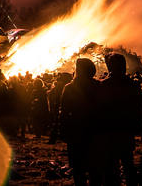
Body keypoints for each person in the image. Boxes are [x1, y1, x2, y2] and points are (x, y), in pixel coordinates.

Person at [98, 53, 142, 186]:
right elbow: (139, 108)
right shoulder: (133, 85)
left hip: (109, 129)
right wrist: (138, 126)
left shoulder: (104, 85)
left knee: (111, 162)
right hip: (127, 129)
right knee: (128, 161)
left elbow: (99, 108)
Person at [59, 58, 103, 186]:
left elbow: (64, 112)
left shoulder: (70, 88)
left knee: (78, 168)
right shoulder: (99, 86)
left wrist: (62, 131)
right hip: (95, 131)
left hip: (76, 131)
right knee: (96, 168)